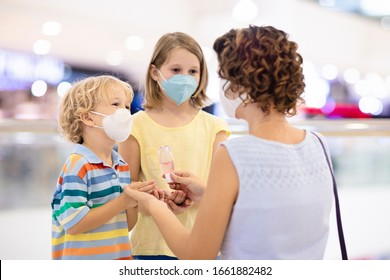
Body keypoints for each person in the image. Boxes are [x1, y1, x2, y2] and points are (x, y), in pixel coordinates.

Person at [125, 25, 335, 260]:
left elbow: (197, 256)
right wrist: (207, 193)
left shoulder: (235, 154)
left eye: (224, 76)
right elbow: (262, 211)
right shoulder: (319, 145)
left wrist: (154, 206)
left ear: (238, 85)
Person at [118, 32, 230, 260]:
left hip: (204, 245)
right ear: (154, 72)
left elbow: (222, 195)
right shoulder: (135, 126)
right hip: (150, 248)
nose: (185, 77)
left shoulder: (216, 128)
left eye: (193, 71)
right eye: (176, 70)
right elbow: (126, 194)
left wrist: (199, 195)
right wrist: (154, 203)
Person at [51, 75, 156, 260]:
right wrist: (123, 201)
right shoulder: (78, 164)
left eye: (126, 106)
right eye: (116, 104)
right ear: (87, 117)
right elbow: (74, 224)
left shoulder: (121, 165)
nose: (124, 112)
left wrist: (136, 200)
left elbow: (126, 225)